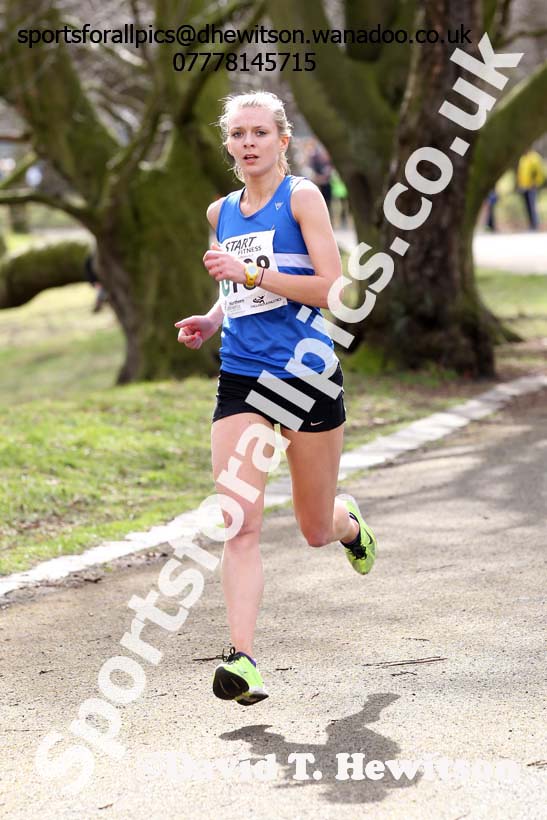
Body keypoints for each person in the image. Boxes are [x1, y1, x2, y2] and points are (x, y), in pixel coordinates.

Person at [174, 91, 377, 706]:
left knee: (314, 528)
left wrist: (256, 276)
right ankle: (243, 660)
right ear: (228, 142)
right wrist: (213, 319)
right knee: (239, 521)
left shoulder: (302, 197)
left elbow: (334, 291)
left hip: (307, 375)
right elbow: (236, 290)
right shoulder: (220, 212)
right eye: (238, 133)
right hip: (241, 376)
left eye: (260, 132)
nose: (248, 143)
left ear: (282, 141)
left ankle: (349, 527)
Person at [517, 150, 545, 231]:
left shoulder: (534, 157)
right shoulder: (523, 158)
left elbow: (539, 172)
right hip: (524, 186)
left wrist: (536, 182)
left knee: (532, 205)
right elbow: (520, 172)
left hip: (532, 187)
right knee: (527, 206)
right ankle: (531, 224)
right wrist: (520, 184)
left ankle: (535, 225)